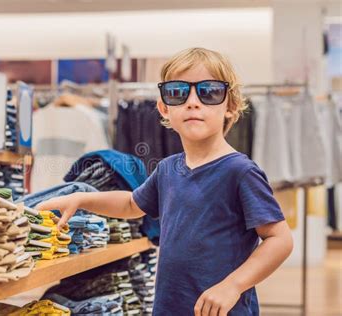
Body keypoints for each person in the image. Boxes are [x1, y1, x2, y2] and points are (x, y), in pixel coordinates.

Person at [36, 47, 293, 316]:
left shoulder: (240, 171)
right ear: (164, 108)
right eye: (178, 92)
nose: (193, 101)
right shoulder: (168, 169)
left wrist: (233, 285)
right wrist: (82, 198)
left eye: (209, 91)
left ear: (229, 106)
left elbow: (279, 239)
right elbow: (130, 204)